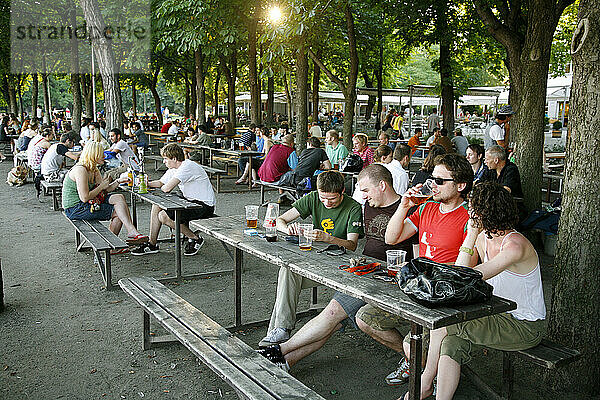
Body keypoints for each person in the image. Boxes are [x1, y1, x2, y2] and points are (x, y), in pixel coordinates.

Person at [257, 165, 406, 370]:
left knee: (332, 315)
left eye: (365, 190)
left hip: (382, 275)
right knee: (331, 320)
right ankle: (285, 360)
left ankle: (279, 350)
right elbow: (281, 219)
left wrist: (328, 238)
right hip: (364, 269)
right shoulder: (370, 205)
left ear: (381, 186)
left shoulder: (403, 207)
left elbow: (357, 245)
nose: (362, 195)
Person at [409, 181, 546, 400]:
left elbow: (467, 275)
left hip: (523, 325)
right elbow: (457, 274)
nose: (469, 212)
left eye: (473, 208)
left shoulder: (514, 245)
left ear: (486, 213)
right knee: (451, 343)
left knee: (447, 321)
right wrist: (474, 236)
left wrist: (471, 234)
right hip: (495, 314)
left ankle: (423, 385)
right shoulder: (485, 237)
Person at [355, 153, 476, 387]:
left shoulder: (469, 217)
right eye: (432, 179)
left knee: (414, 343)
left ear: (461, 185)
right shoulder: (427, 208)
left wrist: (430, 273)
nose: (433, 185)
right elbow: (392, 238)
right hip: (419, 289)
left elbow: (467, 270)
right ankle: (419, 362)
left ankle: (427, 371)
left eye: (440, 181)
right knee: (365, 318)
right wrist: (404, 205)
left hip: (445, 295)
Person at [258, 171, 363, 347]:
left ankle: (278, 331)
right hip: (314, 261)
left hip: (340, 265)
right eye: (323, 198)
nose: (327, 203)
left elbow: (352, 245)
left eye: (332, 199)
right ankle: (282, 329)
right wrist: (289, 230)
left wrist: (328, 238)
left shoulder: (353, 207)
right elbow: (280, 220)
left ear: (343, 191)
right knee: (287, 269)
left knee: (287, 275)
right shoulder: (313, 197)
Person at [131, 143, 216, 257]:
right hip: (190, 201)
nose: (164, 162)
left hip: (204, 206)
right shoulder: (174, 168)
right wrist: (146, 183)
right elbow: (161, 183)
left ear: (174, 158)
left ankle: (195, 238)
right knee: (157, 205)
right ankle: (152, 244)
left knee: (163, 216)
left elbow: (166, 188)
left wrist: (159, 187)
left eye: (165, 159)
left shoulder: (187, 166)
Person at [62, 141, 147, 246]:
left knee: (119, 197)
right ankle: (110, 245)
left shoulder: (94, 169)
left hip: (89, 202)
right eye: (101, 154)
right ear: (94, 155)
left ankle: (131, 232)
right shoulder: (80, 170)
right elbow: (84, 197)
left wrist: (118, 181)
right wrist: (102, 186)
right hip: (76, 208)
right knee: (118, 213)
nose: (104, 156)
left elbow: (103, 191)